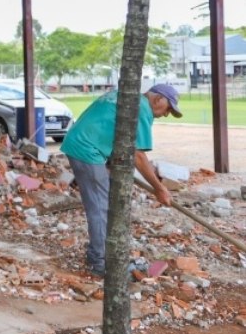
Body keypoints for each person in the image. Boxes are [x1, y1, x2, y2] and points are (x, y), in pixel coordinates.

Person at [60, 84, 182, 277]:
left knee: (102, 204)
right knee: (101, 207)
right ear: (158, 99)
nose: (166, 114)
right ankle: (100, 264)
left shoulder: (126, 95)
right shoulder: (141, 108)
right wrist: (159, 188)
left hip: (82, 144)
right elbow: (138, 155)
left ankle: (98, 256)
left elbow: (110, 129)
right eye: (168, 109)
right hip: (87, 150)